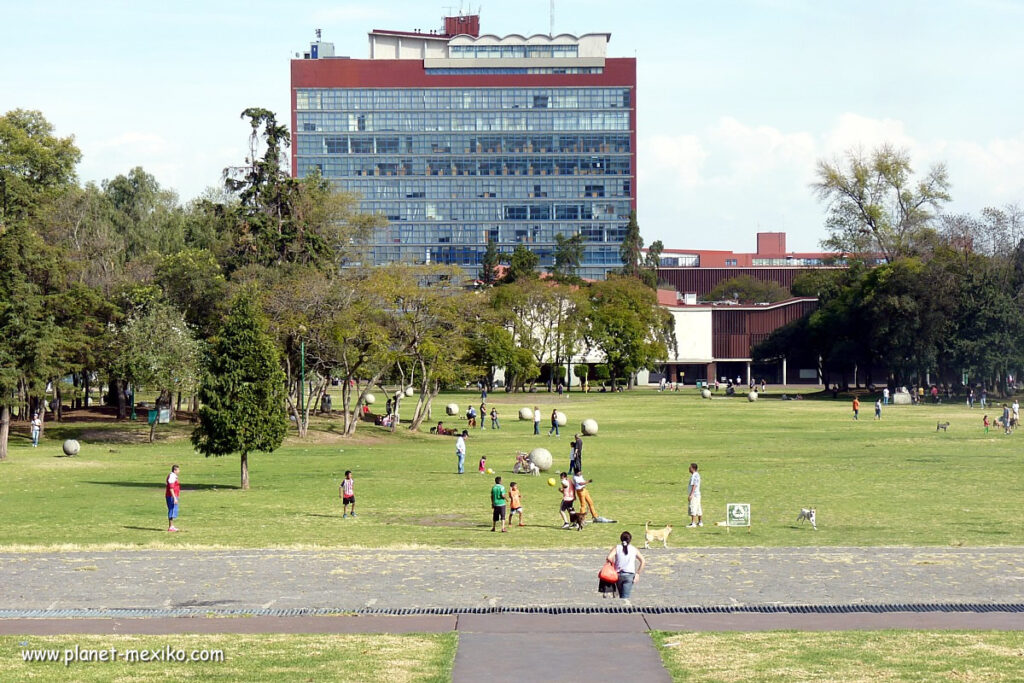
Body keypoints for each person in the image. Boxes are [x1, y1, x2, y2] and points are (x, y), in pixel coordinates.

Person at [606, 531, 645, 600]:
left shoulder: (617, 548)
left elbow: (609, 557)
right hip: (629, 575)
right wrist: (638, 573)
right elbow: (643, 561)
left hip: (617, 574)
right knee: (625, 597)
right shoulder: (634, 549)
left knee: (621, 595)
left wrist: (613, 564)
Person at [165, 464, 181, 532]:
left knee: (173, 510)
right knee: (172, 510)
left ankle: (172, 526)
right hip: (171, 496)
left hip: (173, 495)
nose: (179, 471)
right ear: (175, 470)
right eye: (178, 470)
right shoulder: (172, 476)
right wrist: (174, 498)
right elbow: (171, 488)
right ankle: (171, 527)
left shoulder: (174, 476)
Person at [687, 463, 702, 528]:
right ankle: (700, 522)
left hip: (694, 495)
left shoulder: (694, 476)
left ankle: (693, 523)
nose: (689, 468)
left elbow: (694, 485)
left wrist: (691, 494)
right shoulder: (697, 475)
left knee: (693, 507)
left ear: (693, 468)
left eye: (690, 467)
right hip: (698, 494)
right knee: (698, 508)